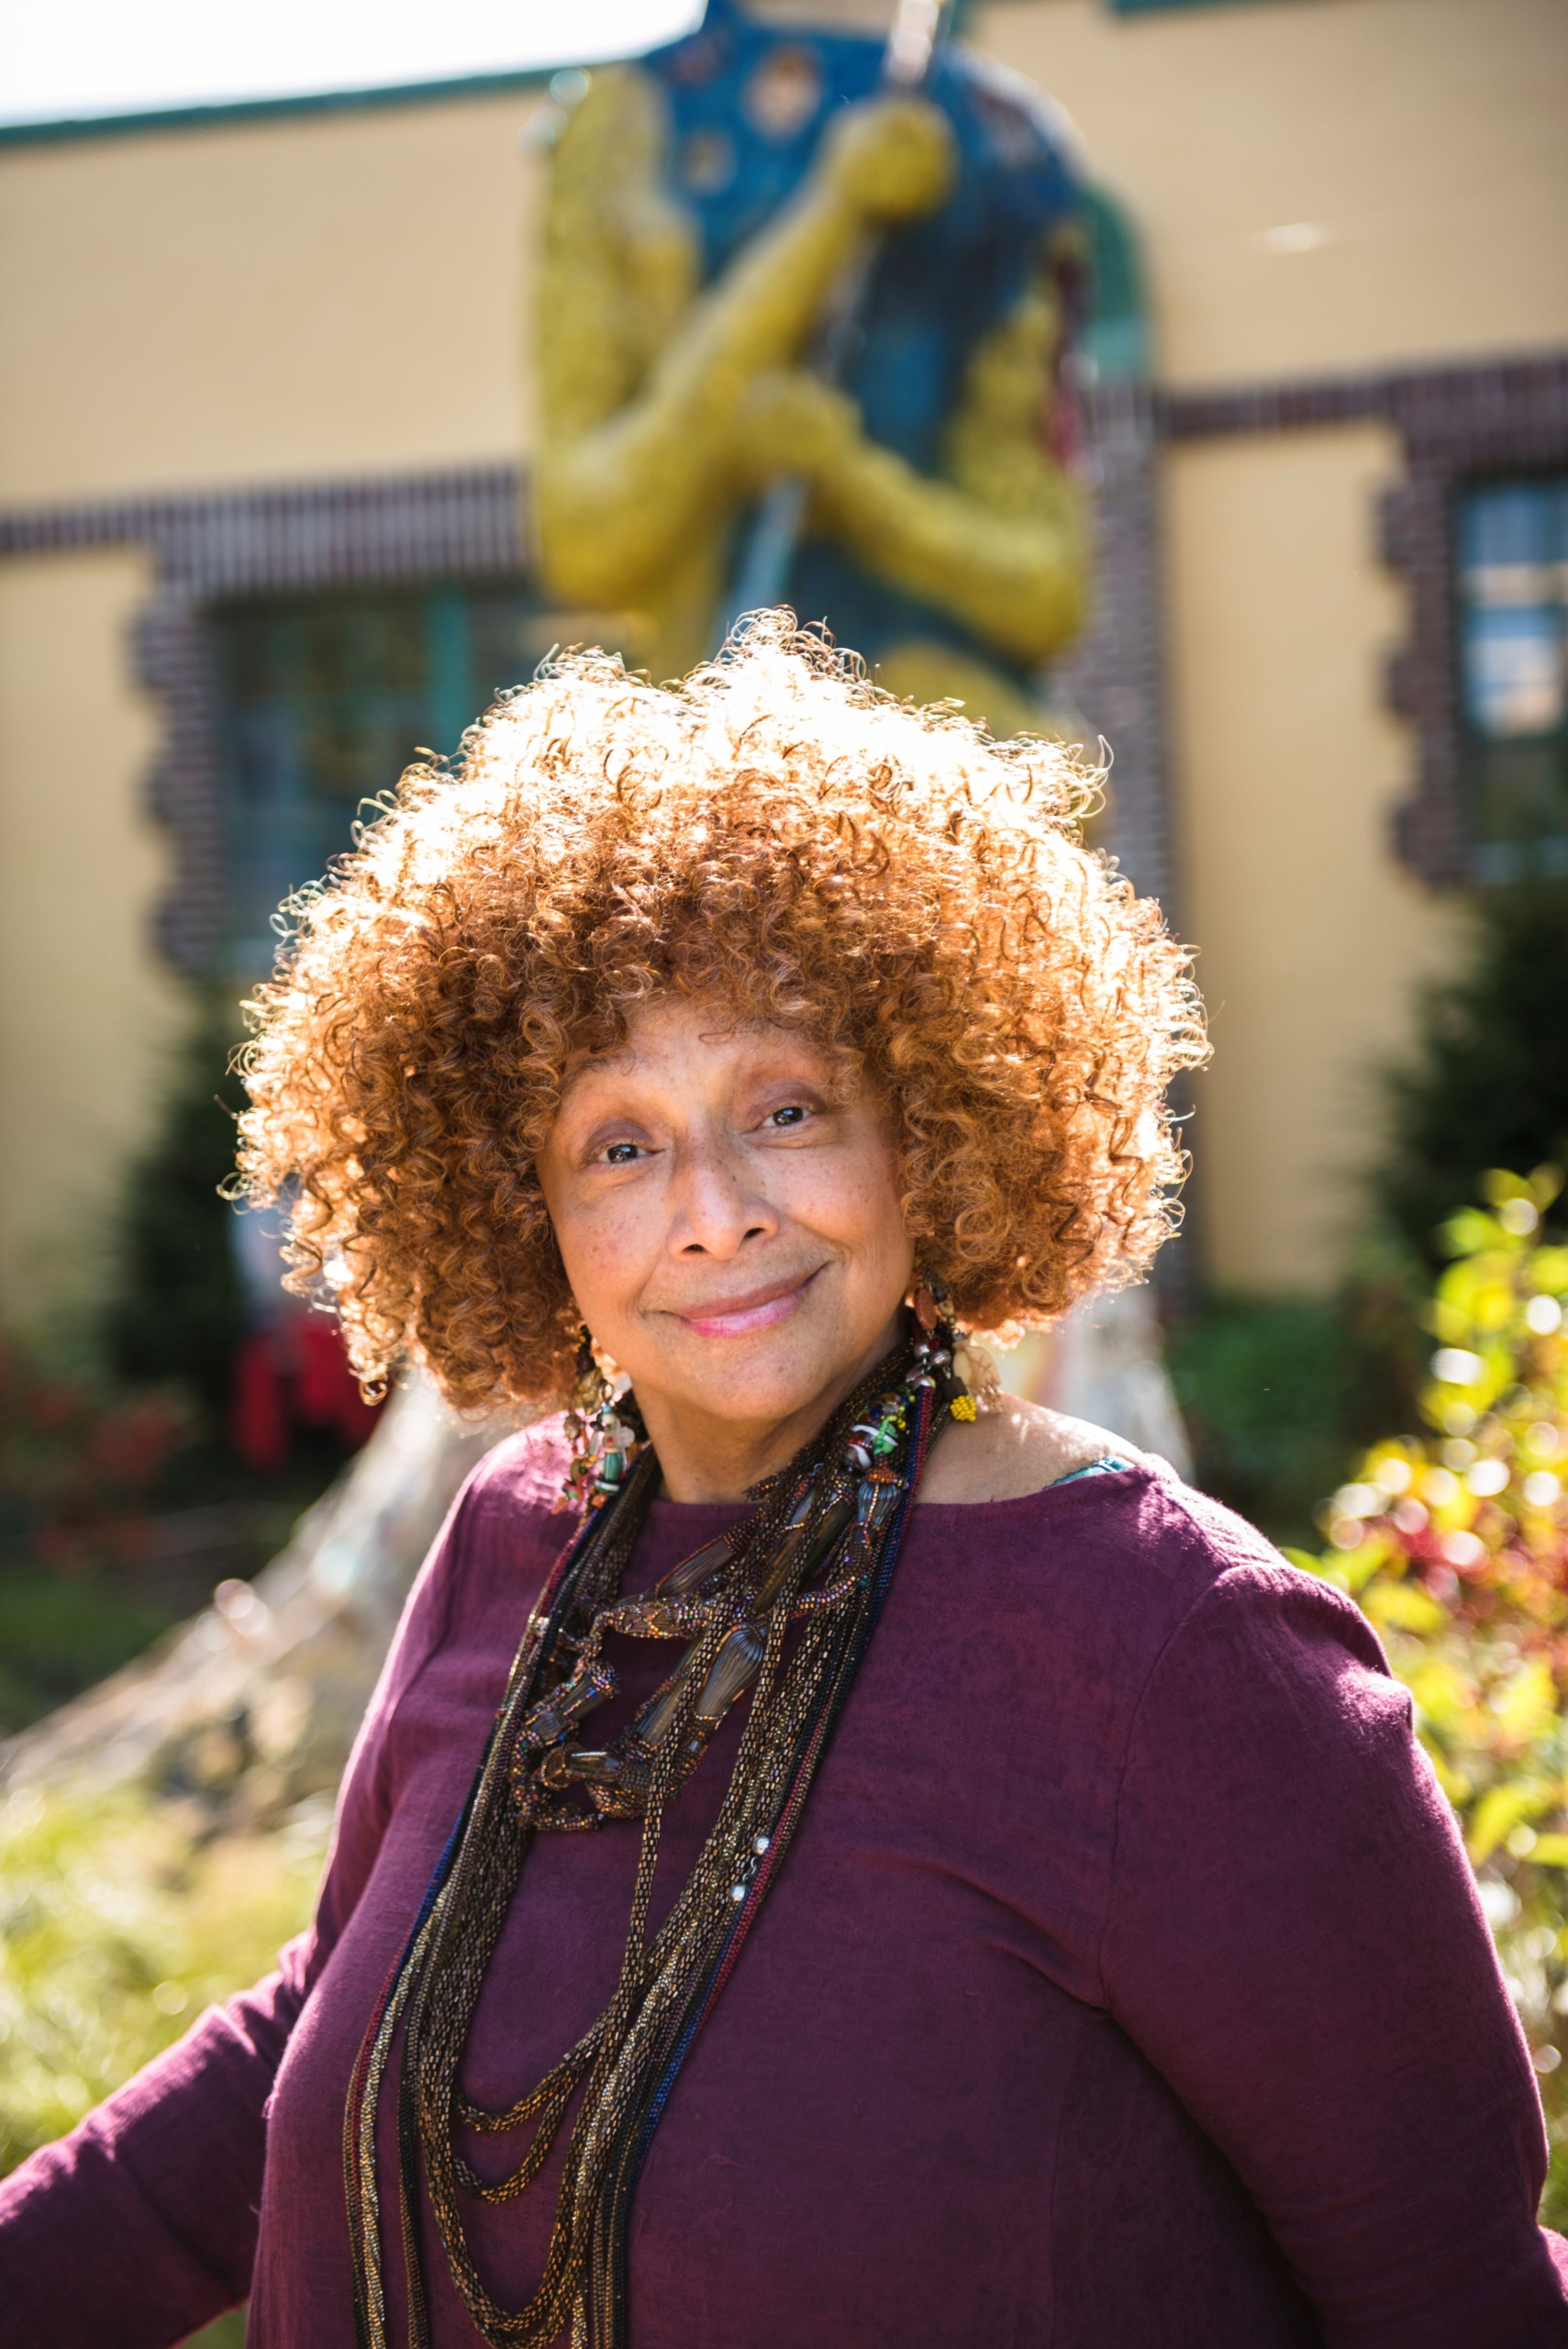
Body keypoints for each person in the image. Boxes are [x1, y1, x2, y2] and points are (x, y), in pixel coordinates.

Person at [2, 619, 1564, 2348]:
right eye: (618, 1141)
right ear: (518, 1203)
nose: (713, 1208)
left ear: (934, 1120)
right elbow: (326, 2030)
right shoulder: (513, 1543)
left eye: (790, 1107)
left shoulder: (1175, 1651)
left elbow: (1458, 2302)